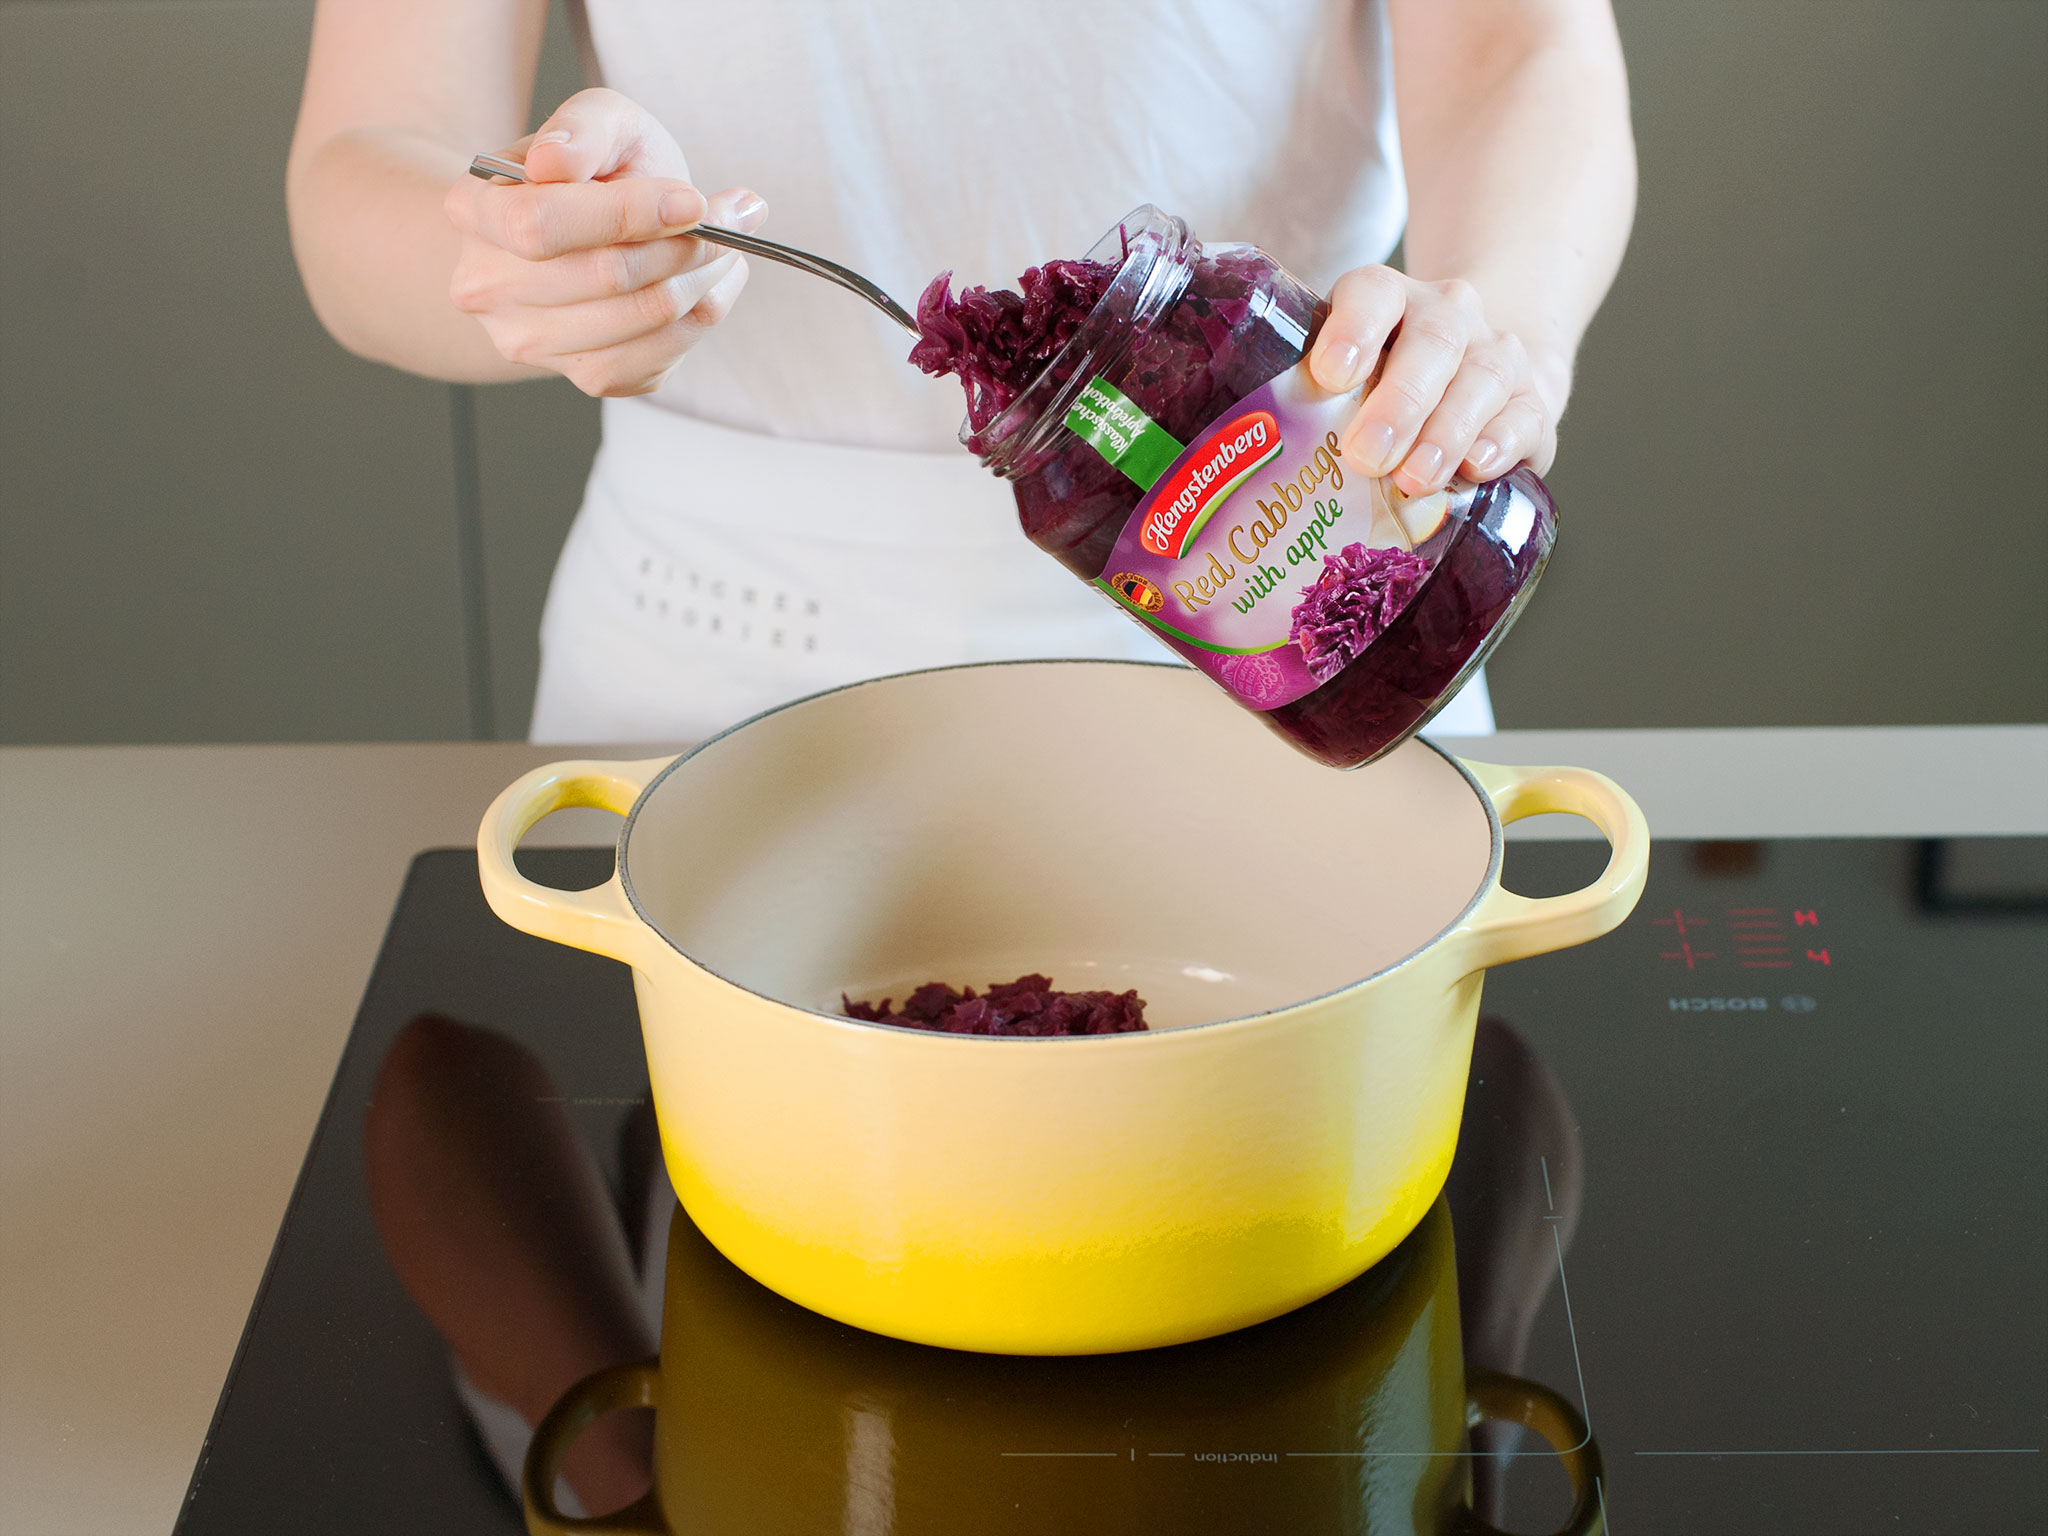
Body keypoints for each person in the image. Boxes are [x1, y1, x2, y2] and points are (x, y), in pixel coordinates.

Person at [288, 0, 1634, 745]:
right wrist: (521, 255)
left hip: (1304, 555)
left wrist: (1500, 326)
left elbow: (1523, 49)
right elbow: (370, 150)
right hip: (712, 657)